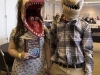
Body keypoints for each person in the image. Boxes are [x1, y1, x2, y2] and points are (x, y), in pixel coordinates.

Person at [49, 0, 94, 75]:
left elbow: (88, 50)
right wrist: (50, 65)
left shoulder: (84, 25)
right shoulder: (56, 24)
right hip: (57, 68)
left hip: (77, 70)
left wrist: (89, 71)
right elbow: (52, 46)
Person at [8, 0, 51, 75]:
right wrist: (20, 55)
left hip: (39, 70)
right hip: (21, 70)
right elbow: (11, 49)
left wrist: (49, 66)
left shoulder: (44, 30)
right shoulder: (15, 31)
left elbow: (47, 48)